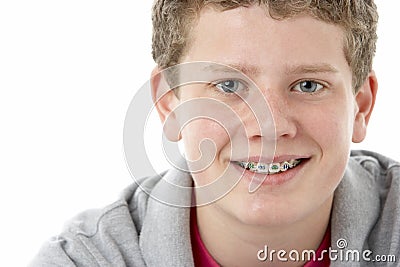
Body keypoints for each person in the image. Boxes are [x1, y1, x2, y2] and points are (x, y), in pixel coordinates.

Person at [30, 0, 400, 266]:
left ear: (361, 106)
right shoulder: (84, 260)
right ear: (169, 102)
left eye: (307, 85)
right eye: (228, 86)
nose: (268, 127)